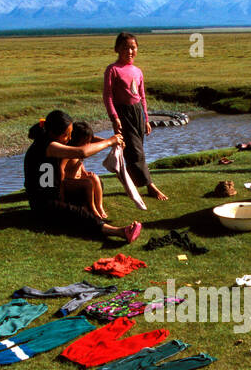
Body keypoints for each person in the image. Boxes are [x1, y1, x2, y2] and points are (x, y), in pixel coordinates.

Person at [24, 110, 142, 242]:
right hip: (43, 203)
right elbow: (82, 152)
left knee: (95, 185)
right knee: (79, 213)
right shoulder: (48, 146)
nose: (69, 139)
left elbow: (85, 139)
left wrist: (114, 142)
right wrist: (109, 142)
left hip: (54, 191)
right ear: (55, 132)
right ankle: (120, 232)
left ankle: (85, 211)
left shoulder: (50, 136)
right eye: (66, 135)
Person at [103, 32, 168, 201]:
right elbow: (108, 96)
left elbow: (142, 96)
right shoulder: (113, 70)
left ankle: (130, 183)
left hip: (137, 112)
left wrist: (146, 119)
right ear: (117, 49)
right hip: (123, 113)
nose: (129, 51)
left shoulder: (138, 71)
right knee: (136, 151)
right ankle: (150, 186)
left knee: (134, 151)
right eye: (125, 47)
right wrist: (114, 117)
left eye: (133, 47)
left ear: (137, 49)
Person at [60, 121, 107, 219]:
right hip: (69, 180)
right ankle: (93, 208)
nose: (88, 144)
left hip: (78, 176)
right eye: (86, 141)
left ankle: (100, 206)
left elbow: (79, 163)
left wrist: (84, 171)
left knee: (94, 177)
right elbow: (61, 168)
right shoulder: (69, 151)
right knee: (88, 183)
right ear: (77, 139)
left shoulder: (81, 149)